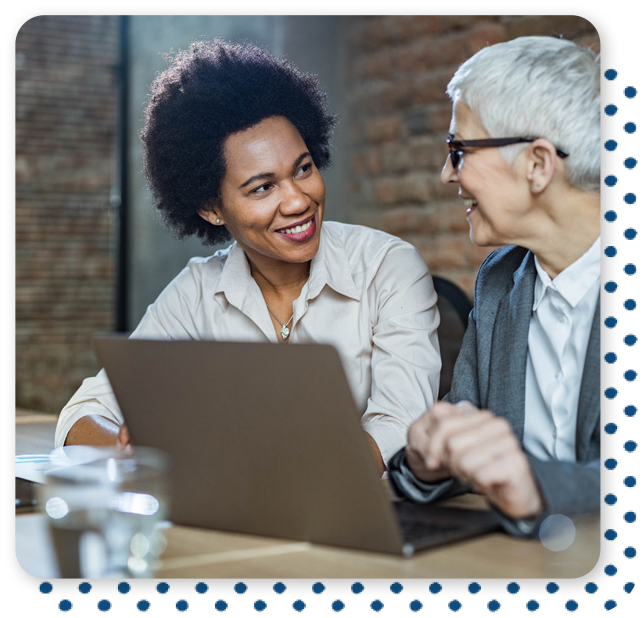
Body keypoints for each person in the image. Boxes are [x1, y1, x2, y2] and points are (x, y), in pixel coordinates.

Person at [55, 40, 441, 474]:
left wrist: (274, 473)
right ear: (211, 208)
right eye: (262, 187)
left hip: (357, 517)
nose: (298, 200)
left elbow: (401, 427)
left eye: (303, 168)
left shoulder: (388, 267)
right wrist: (126, 447)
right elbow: (83, 413)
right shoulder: (197, 292)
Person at [388, 36, 601, 535]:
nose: (446, 174)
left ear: (537, 164)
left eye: (459, 150)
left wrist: (538, 486)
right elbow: (466, 452)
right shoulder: (499, 280)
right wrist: (426, 462)